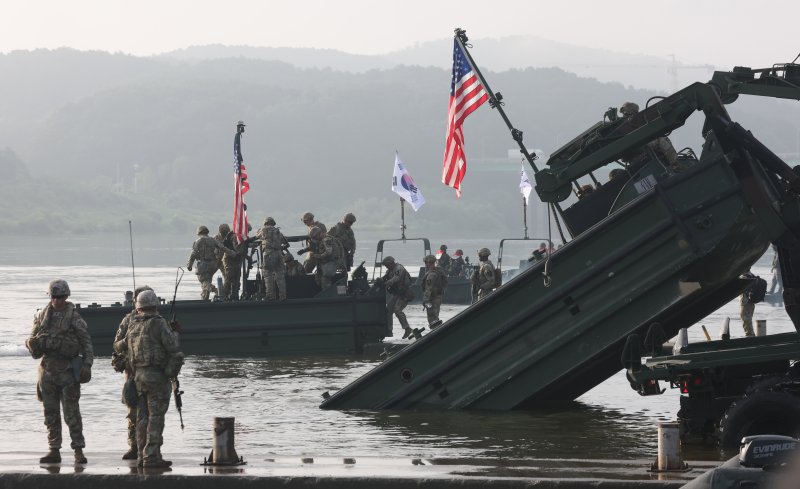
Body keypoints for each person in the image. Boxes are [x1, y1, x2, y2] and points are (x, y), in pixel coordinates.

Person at [25, 279, 93, 464]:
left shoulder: (74, 318)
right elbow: (32, 338)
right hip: (47, 371)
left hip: (68, 372)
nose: (56, 301)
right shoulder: (42, 316)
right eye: (54, 297)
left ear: (66, 296)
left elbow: (86, 342)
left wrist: (87, 365)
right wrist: (32, 343)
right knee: (50, 414)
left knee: (72, 414)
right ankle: (54, 449)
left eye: (60, 297)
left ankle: (78, 450)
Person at [126, 289, 183, 468]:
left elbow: (127, 353)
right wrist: (169, 372)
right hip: (157, 377)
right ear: (155, 305)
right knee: (156, 417)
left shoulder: (132, 326)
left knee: (142, 418)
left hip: (139, 378)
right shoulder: (158, 323)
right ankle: (151, 457)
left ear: (138, 307)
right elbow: (174, 350)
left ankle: (141, 456)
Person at [112, 285, 152, 460]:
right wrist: (127, 342)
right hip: (132, 373)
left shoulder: (156, 319)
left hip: (150, 373)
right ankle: (134, 446)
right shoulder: (128, 320)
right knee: (133, 412)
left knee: (151, 413)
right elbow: (117, 345)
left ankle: (149, 448)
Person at [619, 101, 681, 170]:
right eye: (633, 113)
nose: (635, 115)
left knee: (660, 138)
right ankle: (675, 164)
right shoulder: (624, 126)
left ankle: (673, 162)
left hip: (641, 147)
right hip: (638, 148)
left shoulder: (630, 123)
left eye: (635, 113)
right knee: (661, 139)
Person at [187, 225, 235, 301]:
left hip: (203, 264)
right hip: (212, 265)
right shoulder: (213, 240)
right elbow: (222, 248)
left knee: (203, 282)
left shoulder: (198, 241)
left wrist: (189, 265)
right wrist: (233, 253)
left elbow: (193, 253)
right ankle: (205, 299)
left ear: (199, 233)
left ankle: (215, 289)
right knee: (208, 281)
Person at [379, 256, 413, 338]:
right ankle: (389, 330)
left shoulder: (399, 269)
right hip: (396, 294)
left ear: (391, 263)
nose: (387, 267)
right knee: (388, 310)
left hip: (404, 293)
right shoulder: (390, 271)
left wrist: (386, 283)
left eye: (387, 265)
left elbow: (396, 279)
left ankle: (407, 328)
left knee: (397, 310)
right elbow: (385, 277)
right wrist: (380, 280)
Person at [259, 217, 287, 301]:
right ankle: (283, 296)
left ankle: (270, 296)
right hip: (279, 254)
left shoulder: (264, 229)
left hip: (269, 254)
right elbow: (285, 242)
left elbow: (258, 236)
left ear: (265, 223)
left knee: (268, 274)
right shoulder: (278, 231)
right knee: (280, 276)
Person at [215, 223, 246, 301]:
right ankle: (226, 295)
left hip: (233, 259)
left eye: (225, 232)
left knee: (235, 278)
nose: (224, 234)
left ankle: (233, 295)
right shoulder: (218, 238)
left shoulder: (232, 236)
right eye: (223, 232)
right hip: (226, 259)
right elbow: (219, 249)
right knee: (229, 278)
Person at [421, 255, 448, 329]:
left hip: (432, 299)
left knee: (432, 319)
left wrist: (425, 300)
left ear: (429, 263)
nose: (426, 264)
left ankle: (436, 332)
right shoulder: (439, 271)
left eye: (426, 262)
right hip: (438, 298)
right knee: (436, 317)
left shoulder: (432, 274)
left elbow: (428, 288)